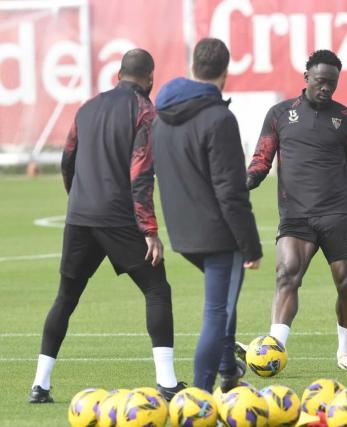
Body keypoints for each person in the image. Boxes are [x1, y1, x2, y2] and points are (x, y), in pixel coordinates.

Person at [29, 49, 185, 403]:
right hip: (118, 217)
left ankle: (40, 385)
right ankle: (167, 382)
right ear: (150, 78)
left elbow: (68, 159)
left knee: (66, 297)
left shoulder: (86, 107)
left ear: (118, 74)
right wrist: (150, 230)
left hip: (80, 216)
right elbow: (141, 172)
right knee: (157, 289)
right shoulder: (146, 111)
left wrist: (78, 198)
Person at [245, 49, 347, 371]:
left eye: (332, 83)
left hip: (339, 214)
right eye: (320, 81)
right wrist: (242, 183)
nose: (326, 88)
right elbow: (261, 159)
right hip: (296, 215)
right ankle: (275, 349)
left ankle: (345, 351)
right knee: (286, 274)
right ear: (306, 79)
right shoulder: (279, 114)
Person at [151, 38, 263, 393]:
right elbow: (231, 190)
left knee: (224, 305)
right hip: (217, 233)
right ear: (225, 73)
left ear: (192, 67)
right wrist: (251, 245)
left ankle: (229, 372)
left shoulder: (161, 116)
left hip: (182, 233)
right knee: (217, 312)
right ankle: (199, 397)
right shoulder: (219, 118)